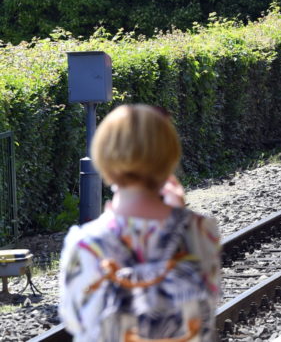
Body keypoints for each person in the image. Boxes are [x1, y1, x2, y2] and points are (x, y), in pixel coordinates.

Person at [59, 105, 220, 341]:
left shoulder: (86, 242)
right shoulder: (202, 229)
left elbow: (75, 320)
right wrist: (180, 218)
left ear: (103, 156)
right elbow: (209, 299)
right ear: (170, 156)